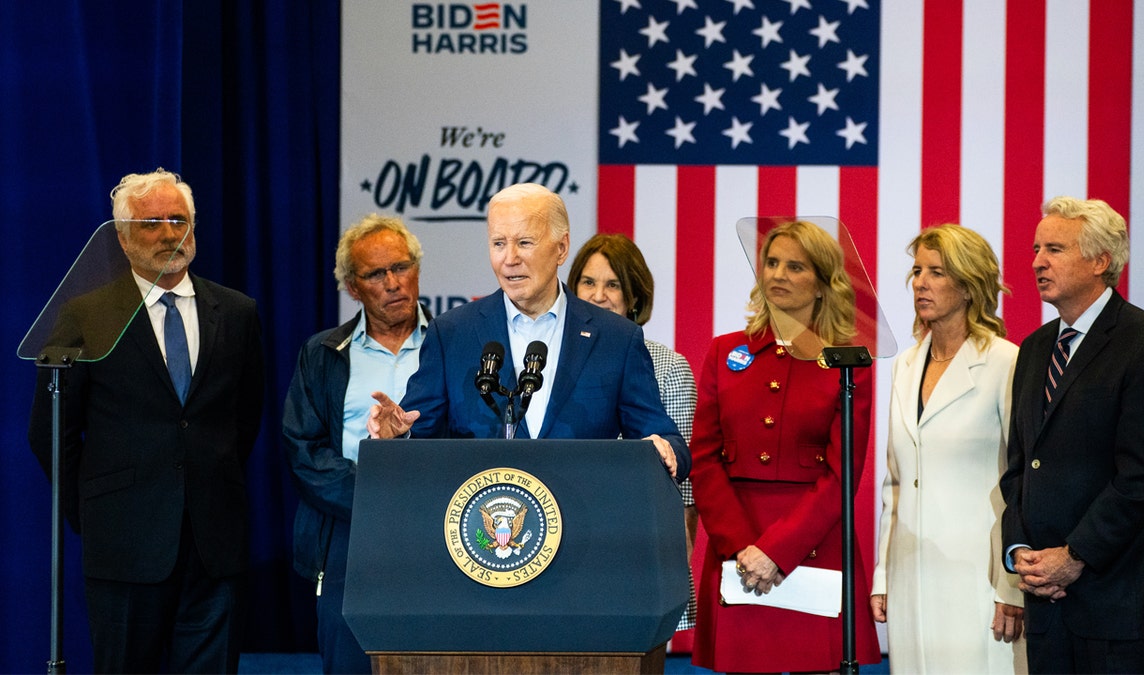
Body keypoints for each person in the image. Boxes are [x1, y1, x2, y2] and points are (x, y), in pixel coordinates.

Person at [28, 168, 265, 673]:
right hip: (123, 546)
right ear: (122, 237)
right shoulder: (86, 315)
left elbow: (244, 420)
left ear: (194, 229)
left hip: (214, 547)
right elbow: (50, 433)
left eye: (178, 220)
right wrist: (94, 510)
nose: (168, 234)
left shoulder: (238, 312)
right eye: (151, 223)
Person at [366, 182, 688, 481]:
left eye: (524, 243)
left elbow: (666, 438)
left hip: (584, 531)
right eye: (498, 244)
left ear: (561, 248)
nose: (509, 259)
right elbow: (419, 438)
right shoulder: (451, 334)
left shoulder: (617, 338)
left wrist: (664, 448)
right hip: (483, 531)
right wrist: (397, 437)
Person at [1000, 196, 1144, 674]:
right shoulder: (1034, 348)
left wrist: (1075, 556)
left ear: (1101, 261)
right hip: (1048, 603)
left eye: (1055, 249)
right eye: (1036, 248)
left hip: (1120, 607)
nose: (1037, 261)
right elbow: (1020, 468)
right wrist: (1022, 552)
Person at [689, 220, 880, 673]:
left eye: (795, 266)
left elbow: (842, 474)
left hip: (815, 543)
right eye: (772, 263)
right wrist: (740, 547)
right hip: (738, 544)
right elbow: (704, 459)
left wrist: (776, 551)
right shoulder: (724, 352)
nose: (778, 274)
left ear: (822, 283)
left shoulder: (848, 361)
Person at [870, 224, 1026, 673]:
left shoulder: (1006, 361)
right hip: (911, 575)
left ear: (969, 285)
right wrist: (885, 574)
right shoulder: (904, 364)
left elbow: (1022, 482)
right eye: (917, 270)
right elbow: (895, 483)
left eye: (937, 272)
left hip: (980, 577)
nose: (920, 282)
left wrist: (1012, 587)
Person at [282, 215, 431, 674]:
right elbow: (304, 451)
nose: (393, 283)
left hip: (437, 527)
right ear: (352, 286)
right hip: (349, 531)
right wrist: (373, 496)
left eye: (401, 267)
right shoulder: (324, 352)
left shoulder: (453, 345)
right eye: (375, 274)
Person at [566, 232, 699, 631]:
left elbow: (683, 491)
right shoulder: (551, 360)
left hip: (636, 559)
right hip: (562, 548)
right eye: (588, 282)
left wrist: (672, 577)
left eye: (613, 285)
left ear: (635, 298)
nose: (598, 295)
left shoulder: (668, 367)